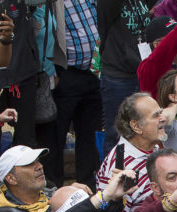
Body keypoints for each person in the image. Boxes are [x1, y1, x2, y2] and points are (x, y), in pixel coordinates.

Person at [95, 93, 169, 212]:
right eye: (156, 115)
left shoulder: (154, 148)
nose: (163, 118)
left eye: (161, 112)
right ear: (136, 126)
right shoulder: (122, 166)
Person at [47, 0, 102, 187]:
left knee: (89, 134)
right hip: (65, 73)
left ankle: (87, 185)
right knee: (56, 136)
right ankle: (54, 187)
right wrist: (52, 72)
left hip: (94, 72)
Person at [97, 0, 153, 155]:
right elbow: (104, 27)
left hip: (143, 71)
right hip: (118, 74)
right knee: (116, 133)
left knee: (145, 127)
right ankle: (112, 176)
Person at [0, 145, 52, 212]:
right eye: (29, 164)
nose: (40, 166)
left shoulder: (53, 195)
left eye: (38, 161)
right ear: (11, 179)